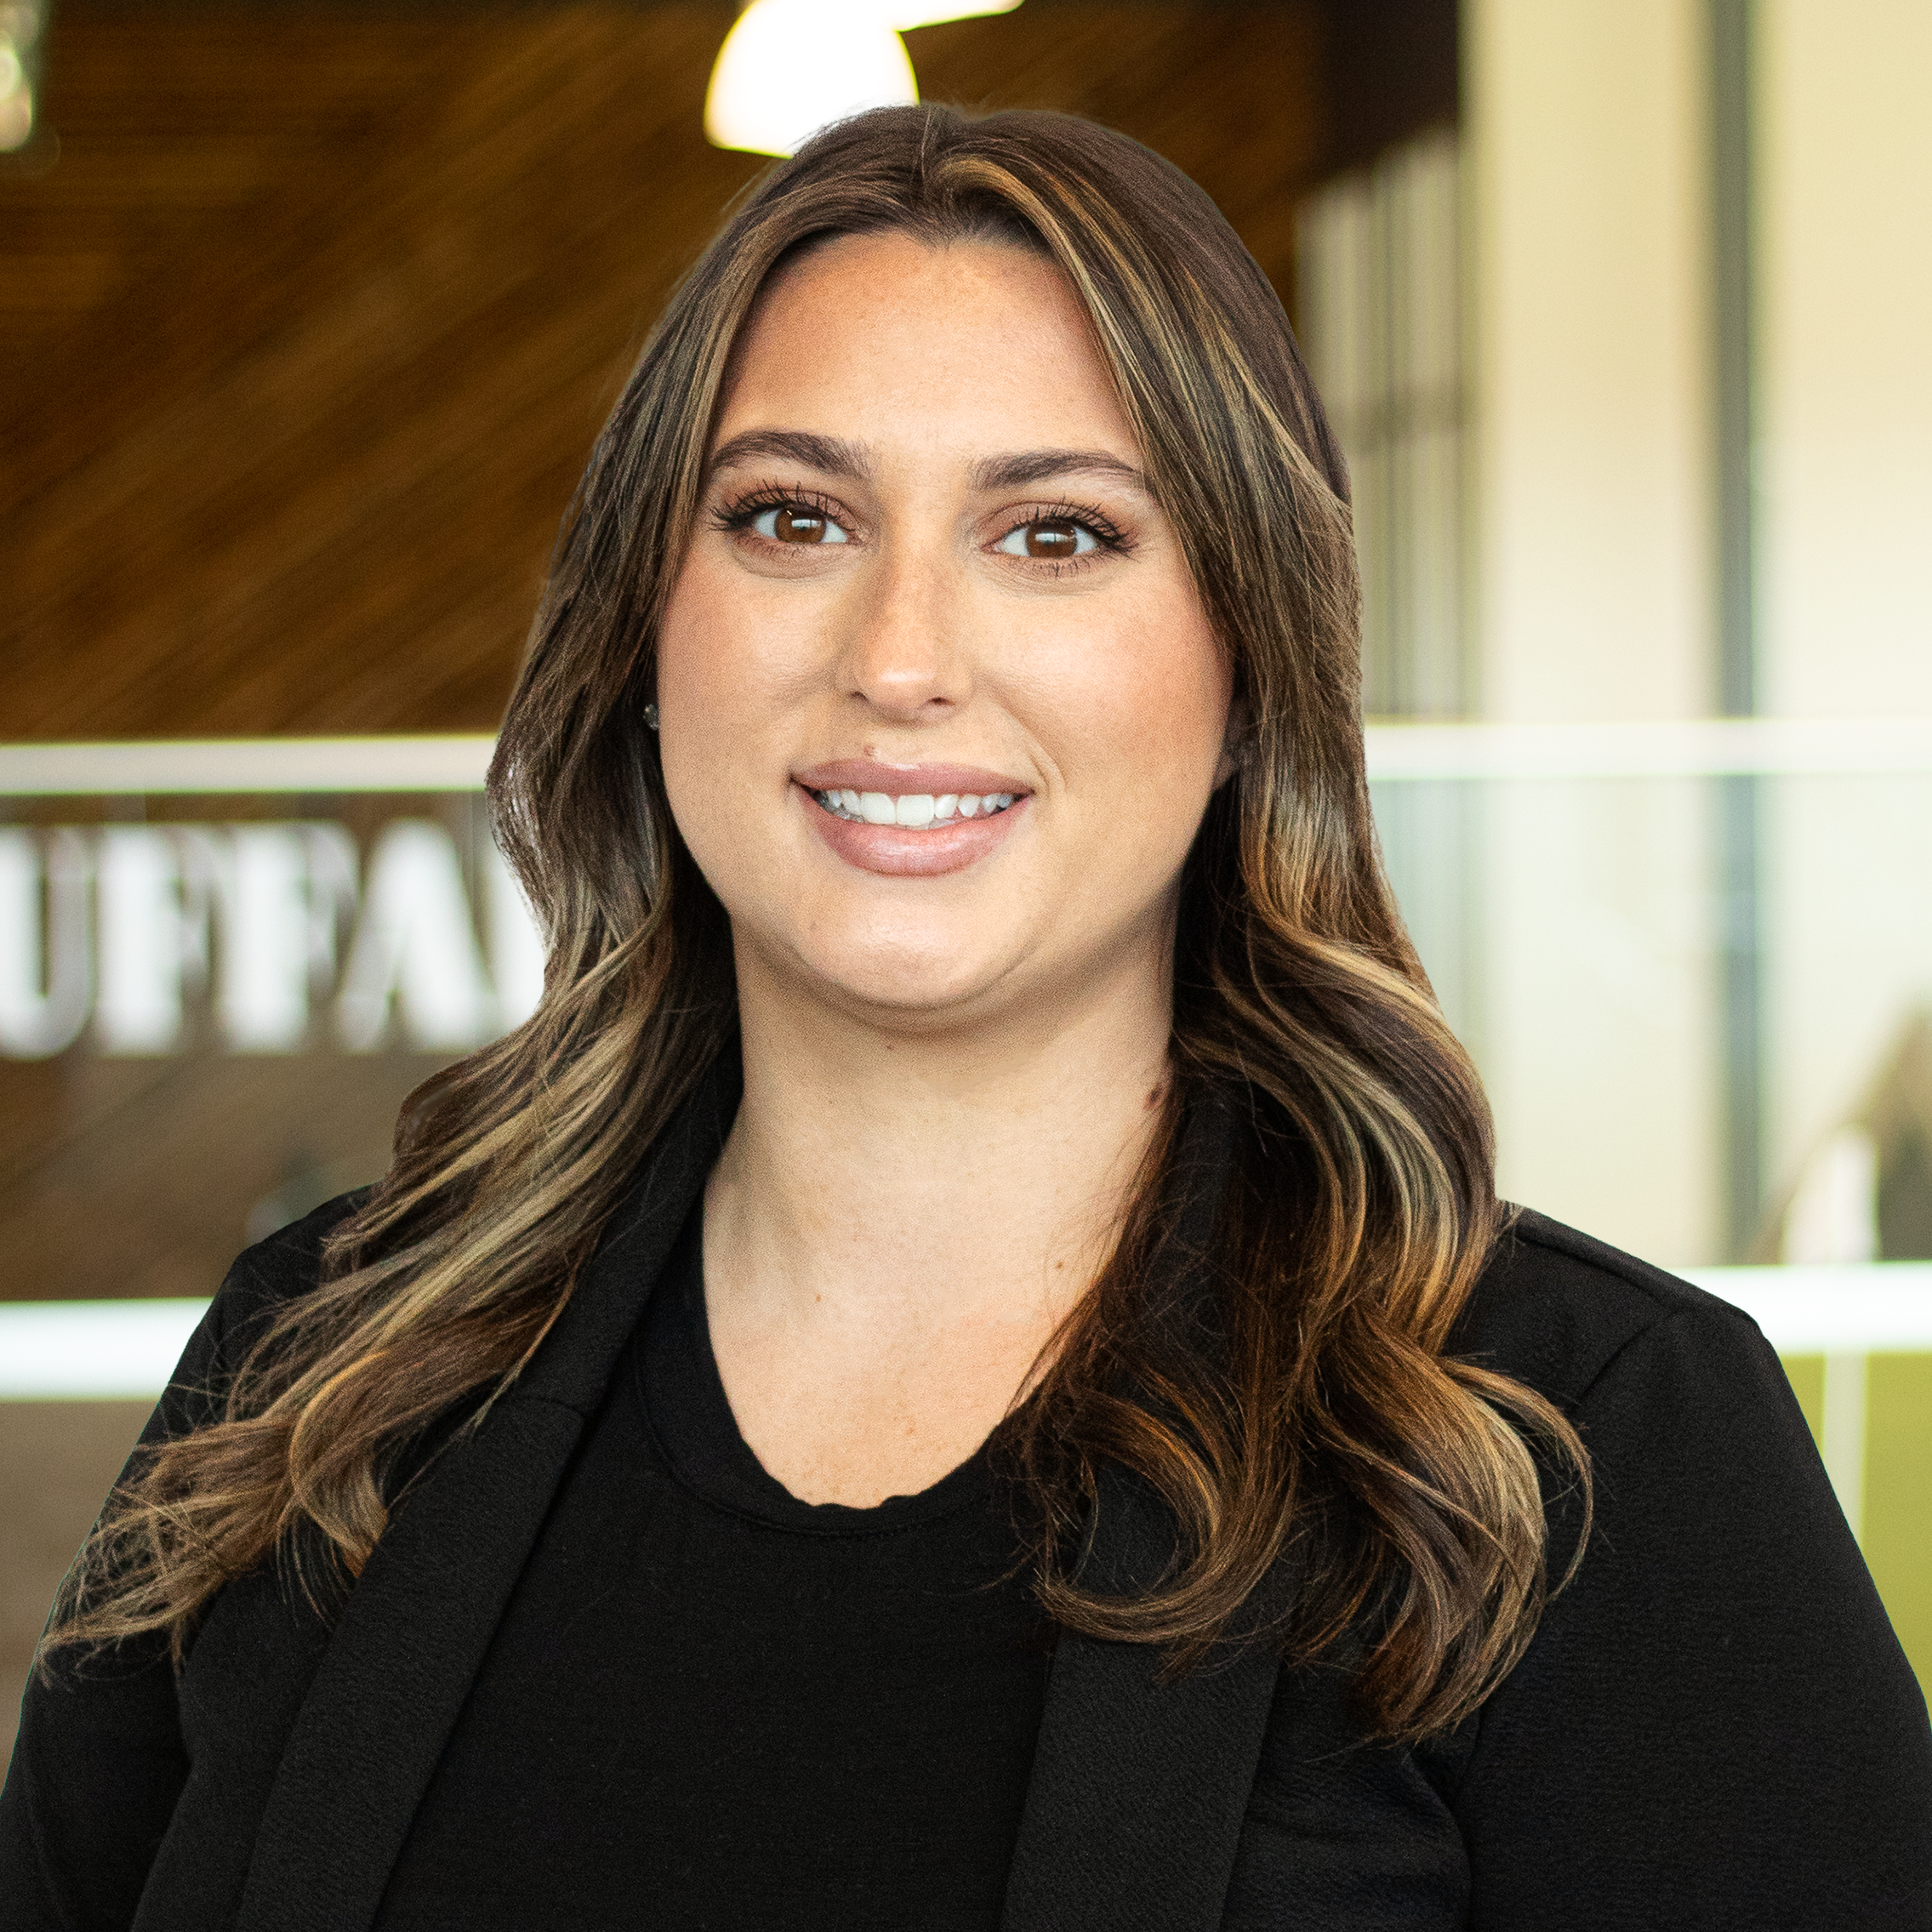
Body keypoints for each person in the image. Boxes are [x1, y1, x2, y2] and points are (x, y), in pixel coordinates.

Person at [3, 102, 1929, 1932]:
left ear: (1249, 665)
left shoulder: (1575, 1446)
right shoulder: (320, 1379)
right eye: (790, 518)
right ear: (646, 635)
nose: (900, 658)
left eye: (1055, 534)